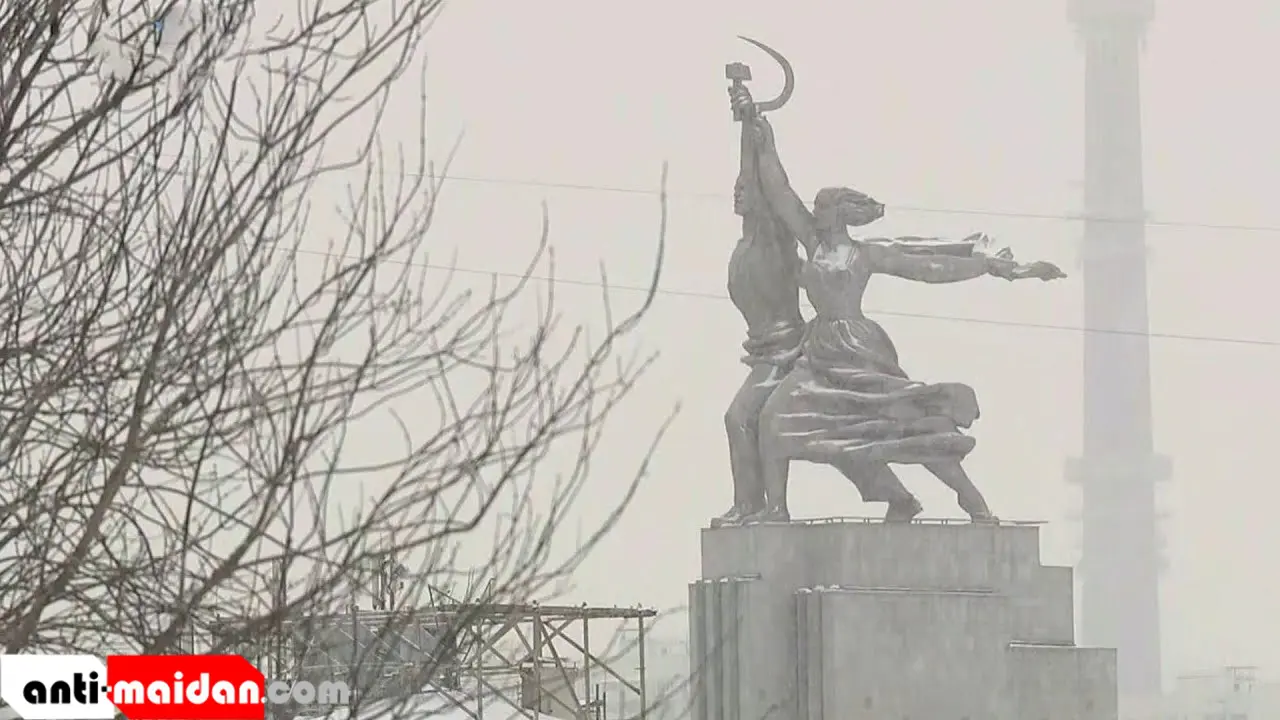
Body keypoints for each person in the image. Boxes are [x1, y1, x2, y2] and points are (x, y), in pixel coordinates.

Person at [737, 92, 1067, 524]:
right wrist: (762, 138)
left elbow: (927, 264)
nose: (814, 213)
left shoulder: (865, 254)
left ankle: (972, 501)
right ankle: (777, 510)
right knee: (775, 420)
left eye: (822, 208)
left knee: (904, 424)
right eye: (814, 207)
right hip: (818, 354)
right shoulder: (812, 243)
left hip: (860, 352)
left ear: (841, 214)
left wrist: (991, 266)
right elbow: (781, 192)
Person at [716, 88, 921, 526]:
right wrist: (750, 128)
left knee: (765, 420)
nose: (738, 192)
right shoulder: (756, 243)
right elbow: (765, 183)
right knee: (833, 436)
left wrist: (756, 134)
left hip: (800, 351)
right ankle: (754, 506)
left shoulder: (776, 235)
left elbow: (774, 187)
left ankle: (768, 508)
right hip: (777, 352)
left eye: (744, 188)